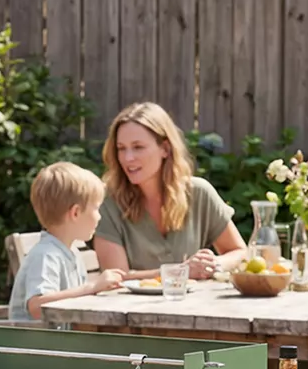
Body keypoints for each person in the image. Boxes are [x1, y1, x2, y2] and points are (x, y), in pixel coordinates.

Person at [92, 102, 248, 281]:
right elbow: (116, 278)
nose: (128, 158)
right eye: (121, 148)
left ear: (165, 149)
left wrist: (213, 264)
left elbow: (239, 251)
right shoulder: (107, 202)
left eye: (138, 147)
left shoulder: (198, 193)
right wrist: (182, 271)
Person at [10, 162, 128, 322]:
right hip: (33, 338)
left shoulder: (70, 251)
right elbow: (37, 306)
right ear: (76, 213)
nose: (100, 216)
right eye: (96, 208)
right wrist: (92, 287)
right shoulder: (46, 255)